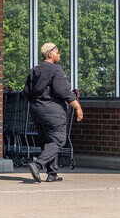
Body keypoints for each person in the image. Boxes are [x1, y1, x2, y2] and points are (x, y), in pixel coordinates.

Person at [22, 43, 83, 183]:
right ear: (50, 54)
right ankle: (37, 165)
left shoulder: (34, 70)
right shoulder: (56, 70)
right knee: (57, 140)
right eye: (57, 52)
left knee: (47, 142)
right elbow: (64, 91)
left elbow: (26, 92)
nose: (59, 55)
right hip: (53, 111)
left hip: (36, 110)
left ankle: (52, 174)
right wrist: (77, 107)